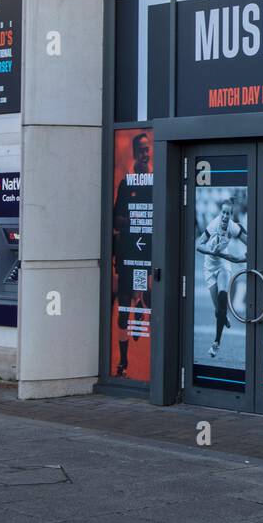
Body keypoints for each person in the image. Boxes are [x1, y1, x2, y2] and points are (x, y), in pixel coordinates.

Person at [112, 132, 152, 379]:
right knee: (123, 308)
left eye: (148, 150)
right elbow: (115, 218)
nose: (145, 154)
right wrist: (135, 221)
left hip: (150, 254)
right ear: (134, 153)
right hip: (129, 253)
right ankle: (123, 362)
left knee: (150, 297)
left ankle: (142, 304)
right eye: (141, 150)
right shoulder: (127, 183)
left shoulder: (156, 180)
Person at [196, 197, 247, 359]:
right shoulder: (213, 225)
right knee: (219, 310)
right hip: (209, 267)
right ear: (220, 213)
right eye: (223, 213)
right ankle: (222, 315)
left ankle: (216, 342)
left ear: (231, 215)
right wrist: (212, 252)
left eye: (228, 214)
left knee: (223, 295)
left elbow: (252, 244)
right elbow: (198, 244)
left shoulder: (233, 227)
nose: (225, 216)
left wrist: (239, 258)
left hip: (223, 264)